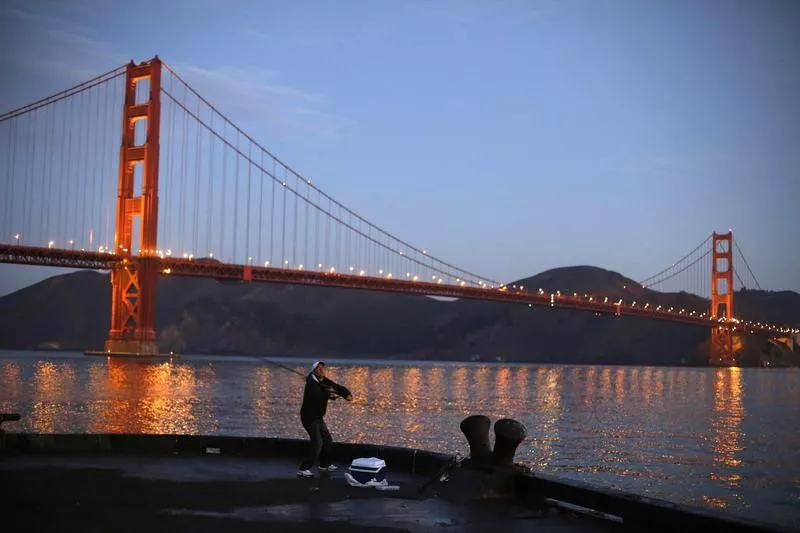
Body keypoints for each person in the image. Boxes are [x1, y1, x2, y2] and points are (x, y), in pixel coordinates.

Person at [297, 361, 353, 477]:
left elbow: (337, 387)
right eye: (318, 369)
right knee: (318, 443)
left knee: (328, 440)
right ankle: (303, 469)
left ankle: (324, 465)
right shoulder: (311, 384)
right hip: (309, 418)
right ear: (314, 371)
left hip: (318, 417)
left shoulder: (324, 381)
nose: (322, 370)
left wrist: (346, 394)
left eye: (322, 368)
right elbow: (318, 395)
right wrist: (330, 395)